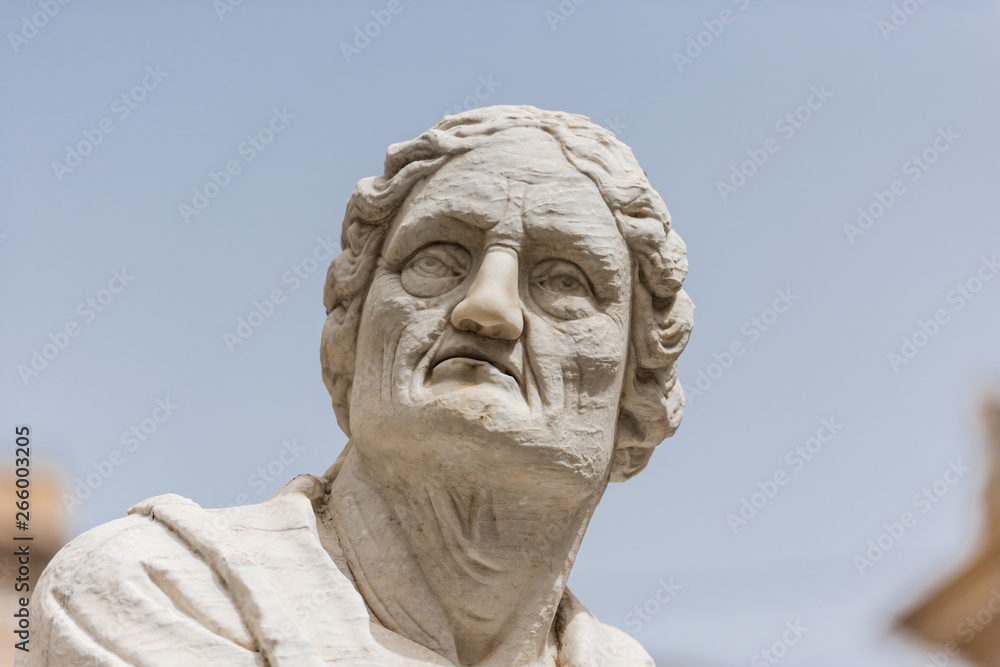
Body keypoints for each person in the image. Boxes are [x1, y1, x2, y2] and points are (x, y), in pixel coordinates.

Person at [21, 105, 693, 667]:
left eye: (565, 280)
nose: (488, 307)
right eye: (437, 259)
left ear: (638, 396)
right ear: (349, 336)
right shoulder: (153, 589)